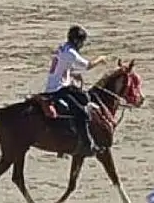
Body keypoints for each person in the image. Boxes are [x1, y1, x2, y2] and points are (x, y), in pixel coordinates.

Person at [43, 25, 108, 154]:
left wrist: (72, 73)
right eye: (82, 42)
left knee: (84, 98)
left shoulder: (62, 48)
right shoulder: (71, 53)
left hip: (56, 85)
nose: (82, 45)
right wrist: (100, 59)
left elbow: (62, 67)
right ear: (77, 41)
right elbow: (88, 66)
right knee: (82, 113)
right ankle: (87, 144)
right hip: (59, 89)